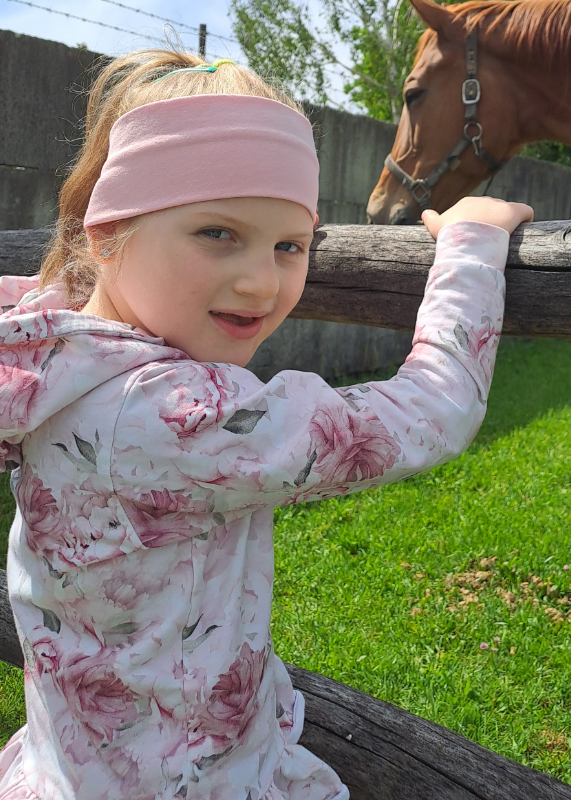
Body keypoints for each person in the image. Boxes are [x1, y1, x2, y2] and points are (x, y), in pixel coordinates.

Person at [0, 50, 532, 799]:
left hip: (78, 767)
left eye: (290, 245)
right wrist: (473, 247)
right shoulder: (176, 418)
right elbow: (429, 414)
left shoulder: (47, 355)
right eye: (218, 233)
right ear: (107, 235)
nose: (261, 281)